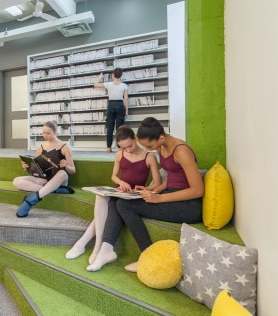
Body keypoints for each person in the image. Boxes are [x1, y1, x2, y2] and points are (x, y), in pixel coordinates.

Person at [93, 117, 205, 272]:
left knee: (124, 206)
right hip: (170, 194)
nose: (147, 149)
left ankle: (148, 256)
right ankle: (107, 248)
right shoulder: (161, 147)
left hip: (189, 206)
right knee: (118, 201)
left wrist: (159, 198)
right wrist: (150, 190)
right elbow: (173, 179)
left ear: (160, 137)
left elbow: (198, 190)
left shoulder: (182, 151)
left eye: (149, 146)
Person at [65, 125, 161, 271]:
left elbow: (158, 183)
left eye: (130, 145)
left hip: (136, 195)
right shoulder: (119, 155)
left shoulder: (150, 157)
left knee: (112, 206)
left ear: (135, 138)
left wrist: (145, 189)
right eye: (124, 147)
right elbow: (114, 176)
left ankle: (84, 245)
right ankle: (98, 247)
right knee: (100, 197)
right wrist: (121, 182)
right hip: (120, 191)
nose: (128, 150)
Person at [15, 121, 76, 218]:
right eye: (43, 133)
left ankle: (31, 200)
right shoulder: (40, 147)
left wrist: (66, 166)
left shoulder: (65, 146)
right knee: (16, 181)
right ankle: (52, 190)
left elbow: (73, 170)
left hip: (60, 179)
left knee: (62, 173)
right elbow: (37, 168)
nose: (45, 135)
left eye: (48, 133)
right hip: (45, 179)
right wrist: (27, 167)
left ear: (56, 132)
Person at [94, 68, 128, 152]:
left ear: (113, 75)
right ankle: (119, 148)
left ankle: (108, 147)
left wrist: (100, 77)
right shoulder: (124, 85)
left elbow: (95, 85)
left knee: (110, 127)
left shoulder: (109, 84)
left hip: (111, 105)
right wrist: (127, 110)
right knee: (120, 128)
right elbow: (126, 99)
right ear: (120, 76)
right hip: (120, 105)